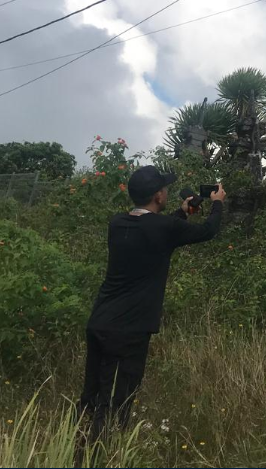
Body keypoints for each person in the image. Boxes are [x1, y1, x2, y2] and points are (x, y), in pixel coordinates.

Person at [78, 165, 226, 441]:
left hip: (100, 321)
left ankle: (76, 443)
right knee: (115, 400)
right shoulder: (164, 227)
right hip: (129, 329)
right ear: (158, 196)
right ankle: (100, 454)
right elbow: (208, 231)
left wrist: (181, 212)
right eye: (164, 189)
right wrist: (217, 204)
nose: (167, 191)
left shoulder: (117, 223)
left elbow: (152, 229)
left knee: (92, 394)